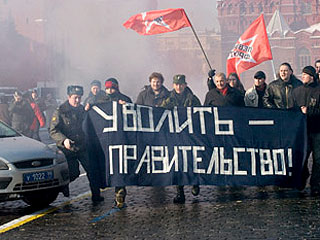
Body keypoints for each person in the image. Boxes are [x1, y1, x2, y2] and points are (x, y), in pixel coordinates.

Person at [49, 85, 103, 203]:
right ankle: (63, 186)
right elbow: (53, 130)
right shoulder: (61, 111)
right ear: (69, 97)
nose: (77, 100)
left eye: (79, 98)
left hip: (83, 146)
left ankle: (96, 195)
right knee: (73, 173)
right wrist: (64, 140)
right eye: (75, 98)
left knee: (92, 171)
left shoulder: (83, 110)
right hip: (68, 149)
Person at [161, 74, 201, 204]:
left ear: (185, 85)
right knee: (178, 164)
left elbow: (201, 114)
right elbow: (160, 113)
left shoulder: (193, 99)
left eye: (181, 84)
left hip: (190, 136)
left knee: (192, 161)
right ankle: (180, 192)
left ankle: (195, 183)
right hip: (176, 137)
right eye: (177, 84)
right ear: (173, 85)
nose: (179, 87)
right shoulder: (168, 99)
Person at [95, 78, 132, 208]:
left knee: (119, 165)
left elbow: (133, 116)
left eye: (112, 88)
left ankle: (120, 192)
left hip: (120, 138)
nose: (110, 91)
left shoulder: (125, 99)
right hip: (105, 138)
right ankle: (99, 189)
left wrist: (126, 106)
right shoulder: (99, 100)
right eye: (108, 88)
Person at [293, 66, 320, 195]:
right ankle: (302, 180)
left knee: (318, 159)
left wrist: (309, 111)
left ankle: (315, 185)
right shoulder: (297, 91)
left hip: (317, 130)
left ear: (312, 76)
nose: (303, 76)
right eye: (302, 74)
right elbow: (292, 111)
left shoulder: (318, 91)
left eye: (305, 74)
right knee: (302, 157)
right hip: (302, 132)